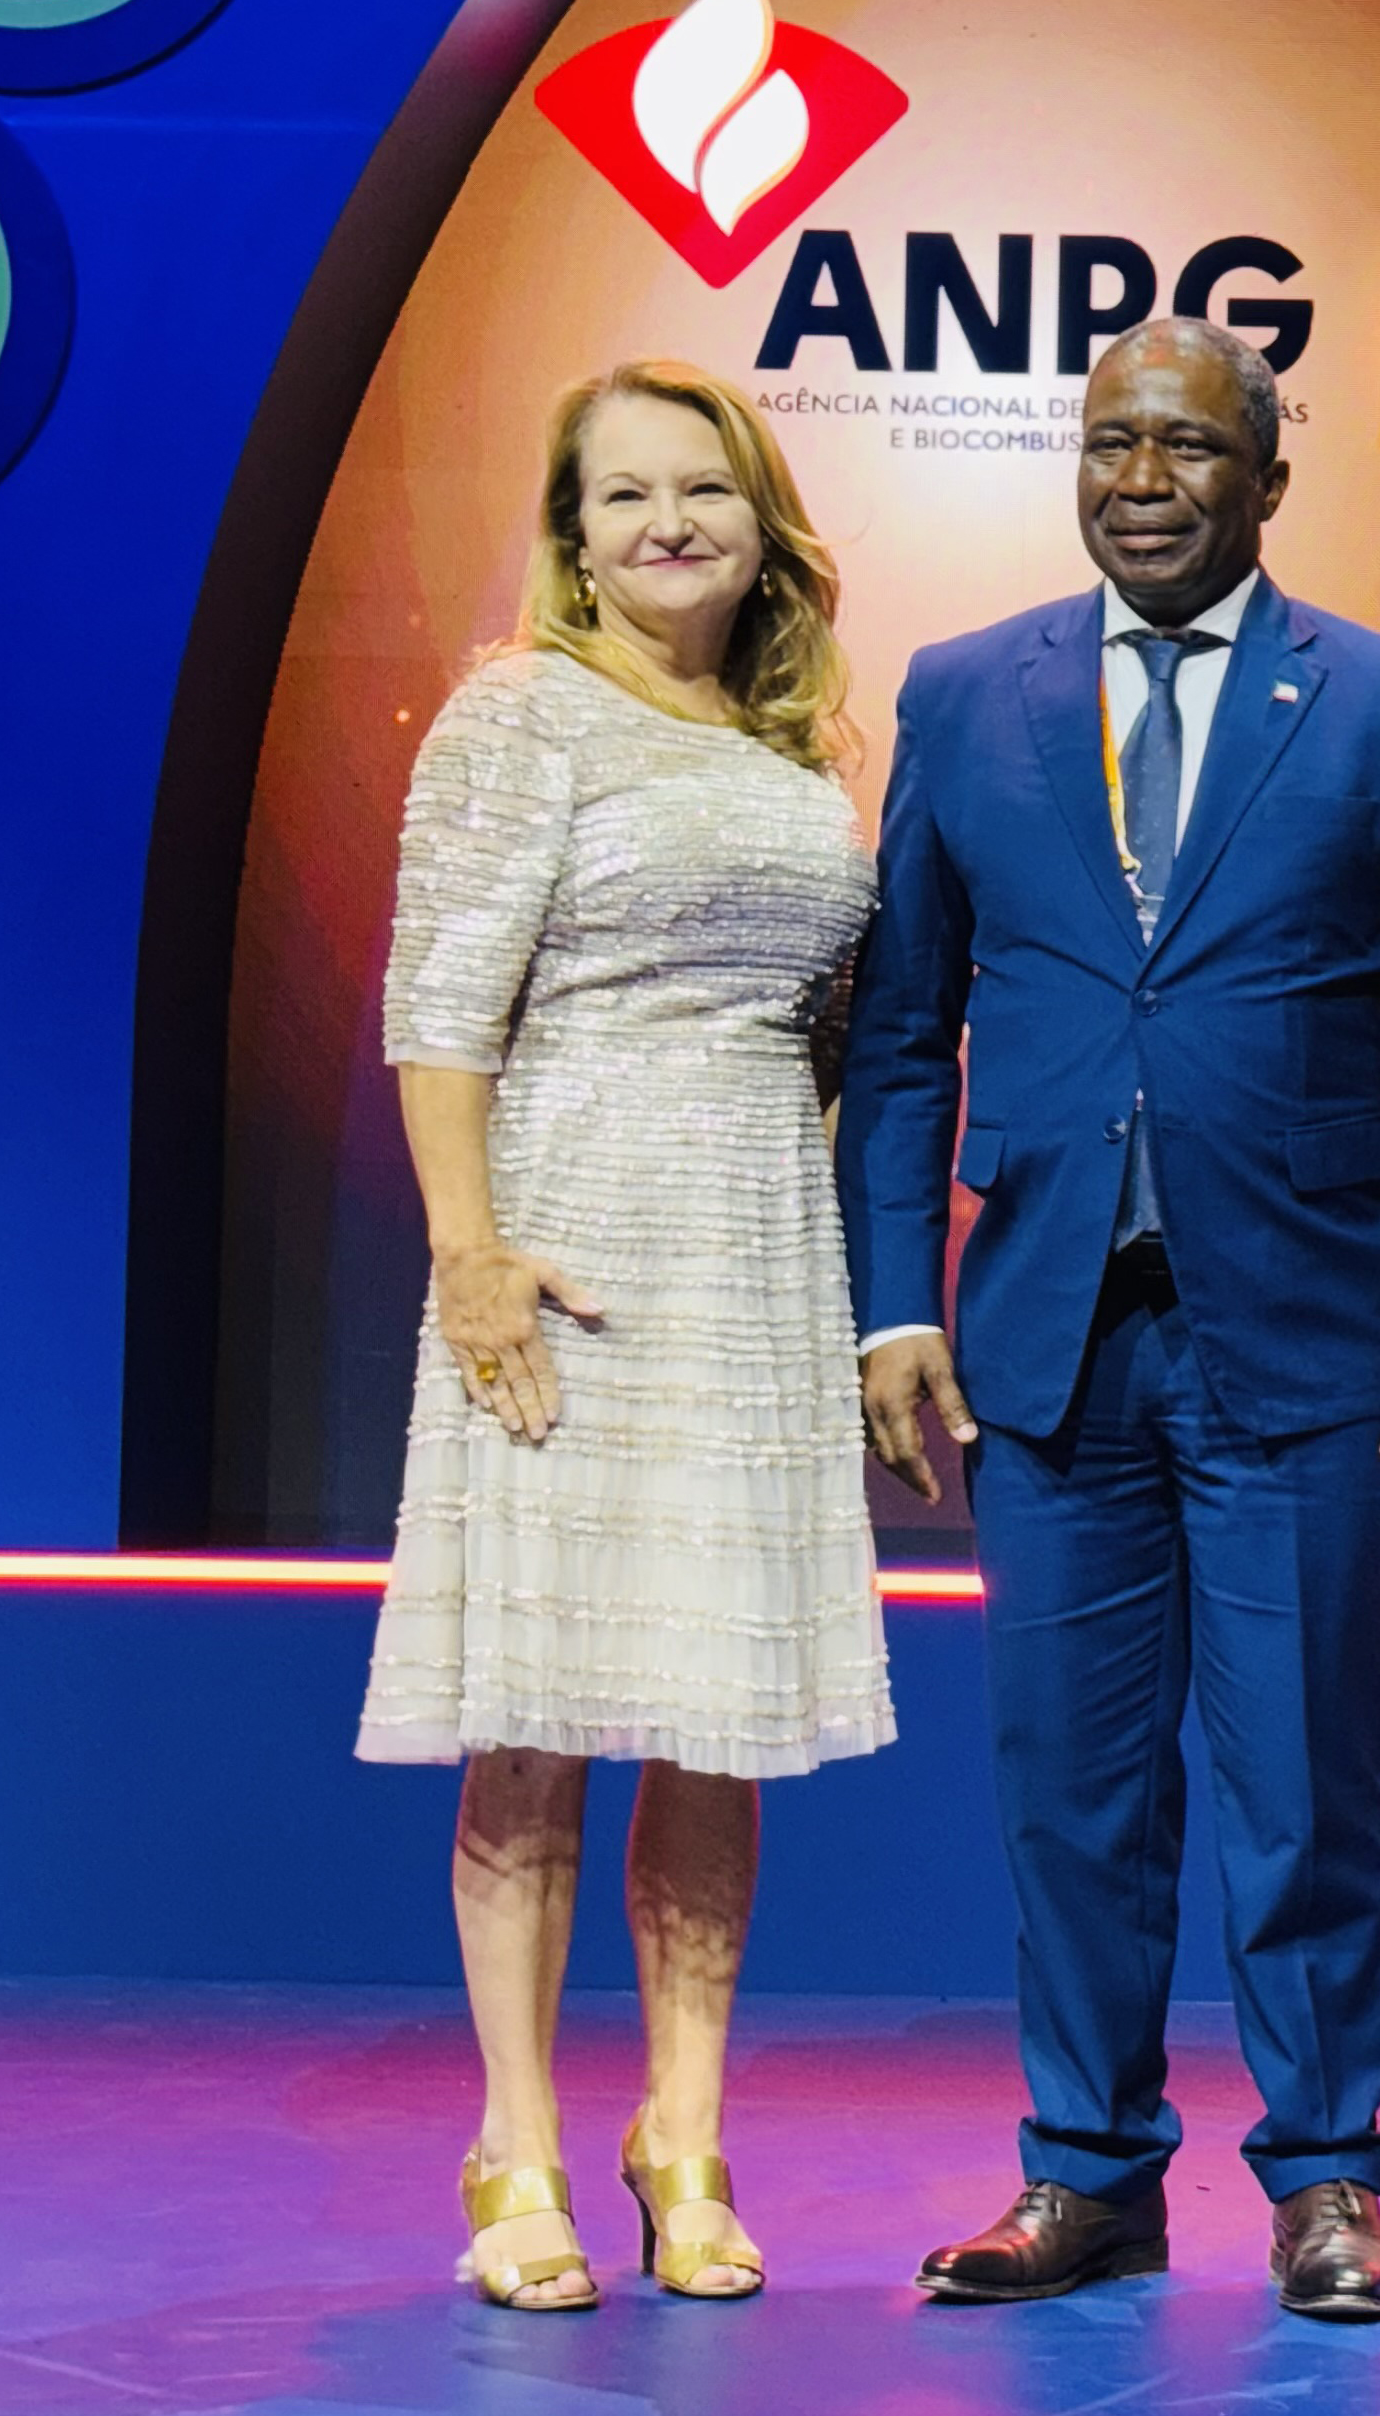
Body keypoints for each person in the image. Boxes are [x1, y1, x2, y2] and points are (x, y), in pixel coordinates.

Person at [837, 317, 1380, 2318]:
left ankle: (1325, 2176)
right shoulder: (965, 691)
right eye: (1112, 442)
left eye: (1190, 449)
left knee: (1304, 1785)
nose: (1144, 481)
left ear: (1269, 481)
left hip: (1306, 1333)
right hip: (1047, 1334)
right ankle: (1086, 2171)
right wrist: (892, 1306)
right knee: (1070, 1786)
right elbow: (903, 1037)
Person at [359, 358, 894, 2311]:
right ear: (573, 537)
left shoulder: (794, 751)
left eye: (704, 489)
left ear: (762, 526)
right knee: (533, 1723)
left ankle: (685, 2129)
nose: (667, 523)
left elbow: (827, 1035)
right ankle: (515, 2144)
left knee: (711, 1722)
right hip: (563, 1258)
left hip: (753, 1262)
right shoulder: (520, 713)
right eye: (623, 496)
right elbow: (442, 1008)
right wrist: (471, 1256)